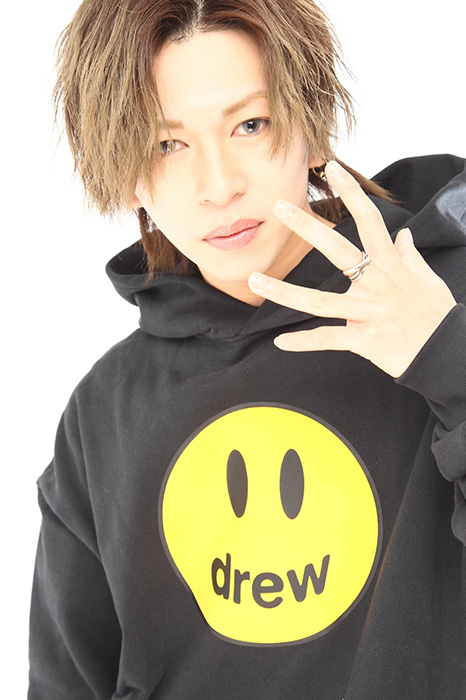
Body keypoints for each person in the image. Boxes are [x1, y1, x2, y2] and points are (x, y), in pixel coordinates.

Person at [28, 0, 466, 698]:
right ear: (127, 172)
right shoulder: (105, 412)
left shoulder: (443, 295)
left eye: (251, 125)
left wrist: (447, 360)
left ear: (312, 130)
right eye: (166, 145)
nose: (220, 186)